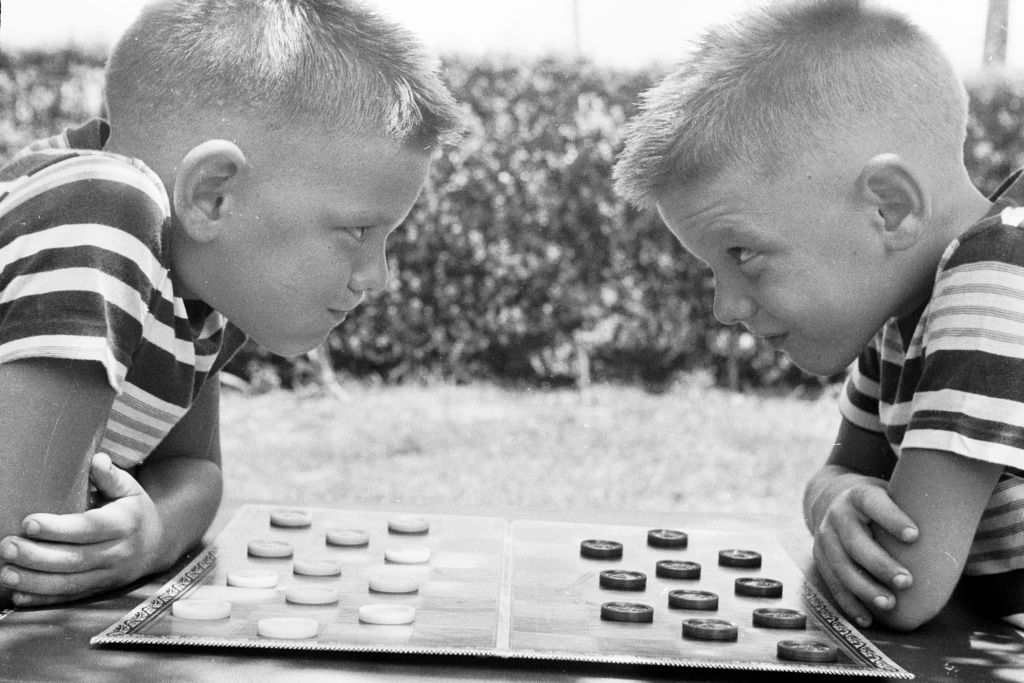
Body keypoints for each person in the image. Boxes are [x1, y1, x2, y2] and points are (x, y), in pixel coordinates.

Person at [0, 0, 462, 608]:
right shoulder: (103, 203)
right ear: (214, 195)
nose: (377, 277)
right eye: (357, 231)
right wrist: (122, 542)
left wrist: (151, 534)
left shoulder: (199, 290)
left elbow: (197, 474)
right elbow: (29, 555)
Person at [613, 0, 1024, 631]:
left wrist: (844, 507)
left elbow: (901, 584)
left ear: (888, 207)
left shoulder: (996, 276)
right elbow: (839, 474)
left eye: (744, 255)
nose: (726, 308)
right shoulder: (900, 314)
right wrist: (834, 498)